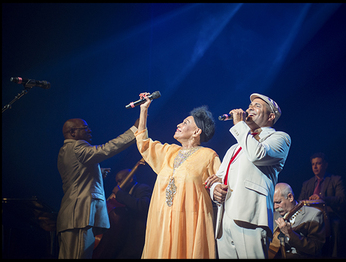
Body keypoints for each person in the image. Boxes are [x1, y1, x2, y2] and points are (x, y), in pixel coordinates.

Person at [135, 92, 221, 259]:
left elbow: (221, 186)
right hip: (161, 220)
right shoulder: (169, 151)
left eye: (185, 122)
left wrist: (219, 183)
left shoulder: (209, 156)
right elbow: (143, 144)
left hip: (188, 224)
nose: (179, 124)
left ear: (197, 131)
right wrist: (143, 110)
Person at [206, 93, 291, 259]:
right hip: (224, 220)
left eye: (257, 106)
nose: (250, 108)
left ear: (271, 116)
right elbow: (219, 178)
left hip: (251, 216)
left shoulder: (279, 138)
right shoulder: (234, 147)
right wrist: (215, 190)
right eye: (250, 106)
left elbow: (257, 154)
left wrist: (239, 126)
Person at [56, 118, 138, 259]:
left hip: (72, 216)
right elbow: (106, 149)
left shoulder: (65, 150)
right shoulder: (77, 147)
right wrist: (134, 131)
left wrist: (97, 173)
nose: (89, 130)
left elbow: (75, 178)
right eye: (85, 128)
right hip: (80, 217)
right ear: (72, 132)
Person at [92, 167, 152, 259]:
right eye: (117, 182)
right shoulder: (124, 194)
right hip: (124, 241)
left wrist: (120, 194)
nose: (118, 185)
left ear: (130, 179)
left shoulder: (142, 188)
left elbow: (143, 205)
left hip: (136, 241)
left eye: (120, 181)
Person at [298, 152, 345, 257]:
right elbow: (299, 201)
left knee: (336, 224)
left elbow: (341, 199)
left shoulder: (335, 179)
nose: (315, 167)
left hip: (330, 215)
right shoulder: (307, 183)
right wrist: (309, 200)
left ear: (325, 165)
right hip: (312, 217)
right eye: (313, 164)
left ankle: (335, 256)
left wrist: (322, 199)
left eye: (318, 163)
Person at [271, 183, 326, 258]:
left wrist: (290, 234)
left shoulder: (314, 214)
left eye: (278, 202)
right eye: (273, 203)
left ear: (290, 197)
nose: (275, 207)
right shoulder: (274, 215)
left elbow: (315, 248)